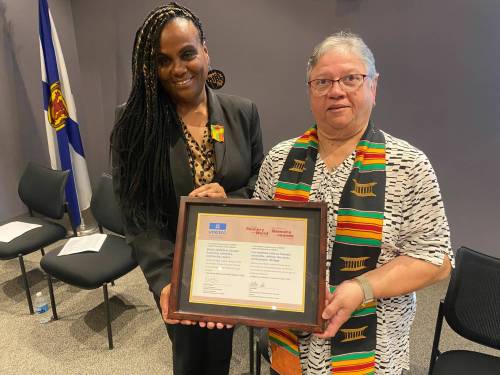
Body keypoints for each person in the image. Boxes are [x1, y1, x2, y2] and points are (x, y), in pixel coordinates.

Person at [253, 31, 453, 375]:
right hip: (290, 350)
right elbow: (257, 243)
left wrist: (362, 288)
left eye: (351, 78)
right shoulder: (279, 159)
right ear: (310, 92)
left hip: (372, 356)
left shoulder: (409, 165)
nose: (336, 90)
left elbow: (436, 260)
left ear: (373, 87)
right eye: (323, 81)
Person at [110, 3, 263, 374]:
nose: (177, 69)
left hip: (232, 261)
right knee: (191, 357)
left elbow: (262, 183)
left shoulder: (243, 113)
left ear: (205, 51)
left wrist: (231, 199)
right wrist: (165, 282)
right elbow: (138, 213)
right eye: (163, 61)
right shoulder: (135, 122)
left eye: (187, 54)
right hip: (175, 266)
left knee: (221, 348)